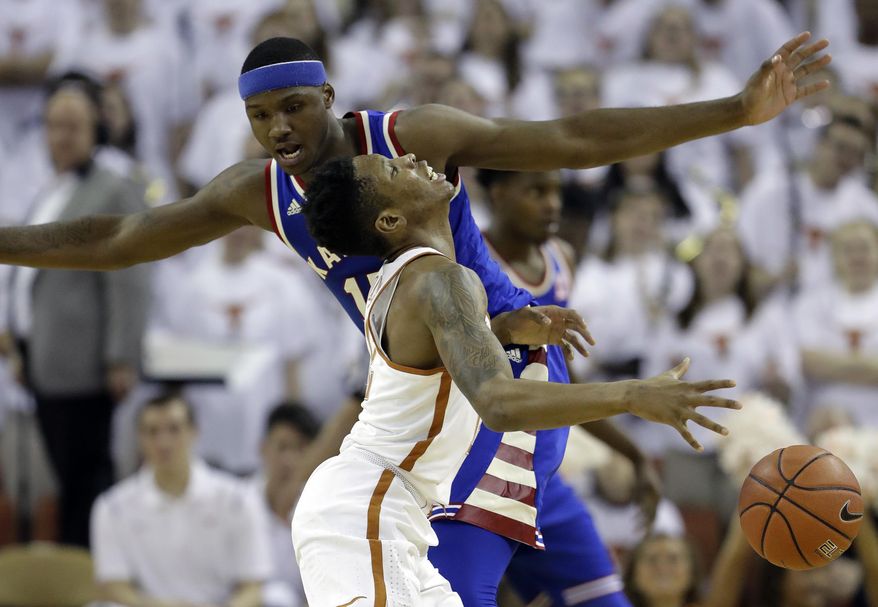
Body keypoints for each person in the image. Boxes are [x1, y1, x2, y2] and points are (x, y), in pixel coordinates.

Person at [0, 32, 830, 606]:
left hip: (501, 377)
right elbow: (116, 236)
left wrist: (732, 110)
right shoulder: (257, 192)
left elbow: (569, 137)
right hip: (436, 395)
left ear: (329, 96)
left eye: (293, 106)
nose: (279, 128)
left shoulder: (409, 141)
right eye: (261, 116)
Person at [292, 152, 739, 604]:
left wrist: (501, 329)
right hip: (369, 506)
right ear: (389, 220)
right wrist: (631, 394)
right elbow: (498, 403)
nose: (407, 158)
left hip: (391, 510)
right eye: (392, 170)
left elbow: (435, 364)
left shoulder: (413, 279)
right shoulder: (439, 279)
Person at [0, 78, 150, 547]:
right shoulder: (52, 189)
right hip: (43, 360)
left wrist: (121, 355)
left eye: (72, 126)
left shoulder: (114, 189)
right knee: (68, 478)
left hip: (85, 365)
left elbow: (129, 276)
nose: (61, 136)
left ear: (95, 129)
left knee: (87, 477)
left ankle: (90, 570)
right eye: (53, 126)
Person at [90, 393, 270, 607]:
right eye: (152, 432)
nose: (163, 442)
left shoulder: (238, 500)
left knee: (280, 596)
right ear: (140, 438)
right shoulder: (112, 507)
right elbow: (114, 586)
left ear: (194, 432)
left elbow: (253, 586)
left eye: (174, 429)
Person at [251, 402, 320, 607]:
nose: (289, 460)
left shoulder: (319, 509)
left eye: (300, 449)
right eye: (282, 447)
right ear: (263, 448)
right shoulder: (238, 504)